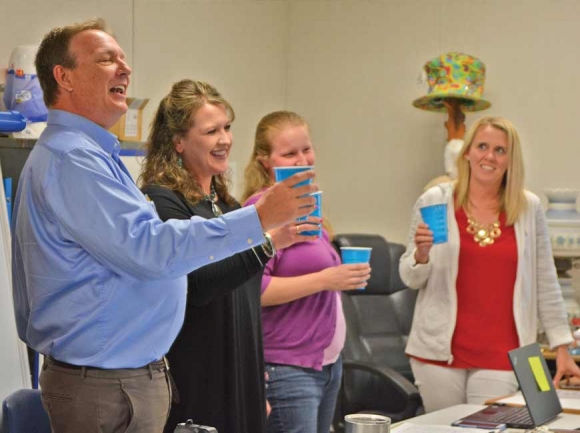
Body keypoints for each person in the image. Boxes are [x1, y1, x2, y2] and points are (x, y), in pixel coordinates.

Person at [11, 19, 317, 433]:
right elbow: (153, 250)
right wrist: (261, 224)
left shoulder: (96, 155)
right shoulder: (73, 160)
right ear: (63, 77)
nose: (125, 68)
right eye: (106, 59)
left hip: (128, 378)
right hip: (105, 385)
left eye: (123, 58)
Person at [139, 79, 319, 433]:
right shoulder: (163, 201)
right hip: (196, 377)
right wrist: (267, 244)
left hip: (242, 375)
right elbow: (198, 284)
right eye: (211, 131)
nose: (224, 139)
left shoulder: (226, 204)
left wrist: (257, 374)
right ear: (178, 141)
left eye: (227, 127)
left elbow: (246, 296)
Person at [399, 116, 580, 413]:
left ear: (511, 160)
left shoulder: (527, 207)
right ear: (467, 153)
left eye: (500, 150)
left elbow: (545, 281)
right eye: (482, 146)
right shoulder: (435, 200)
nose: (489, 156)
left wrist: (562, 346)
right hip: (438, 353)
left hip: (504, 353)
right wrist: (421, 255)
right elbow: (410, 277)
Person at [242, 110, 372, 433]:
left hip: (328, 365)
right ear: (265, 161)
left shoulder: (309, 207)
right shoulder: (259, 211)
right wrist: (327, 279)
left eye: (306, 149)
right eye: (289, 153)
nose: (302, 160)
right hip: (287, 368)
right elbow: (253, 291)